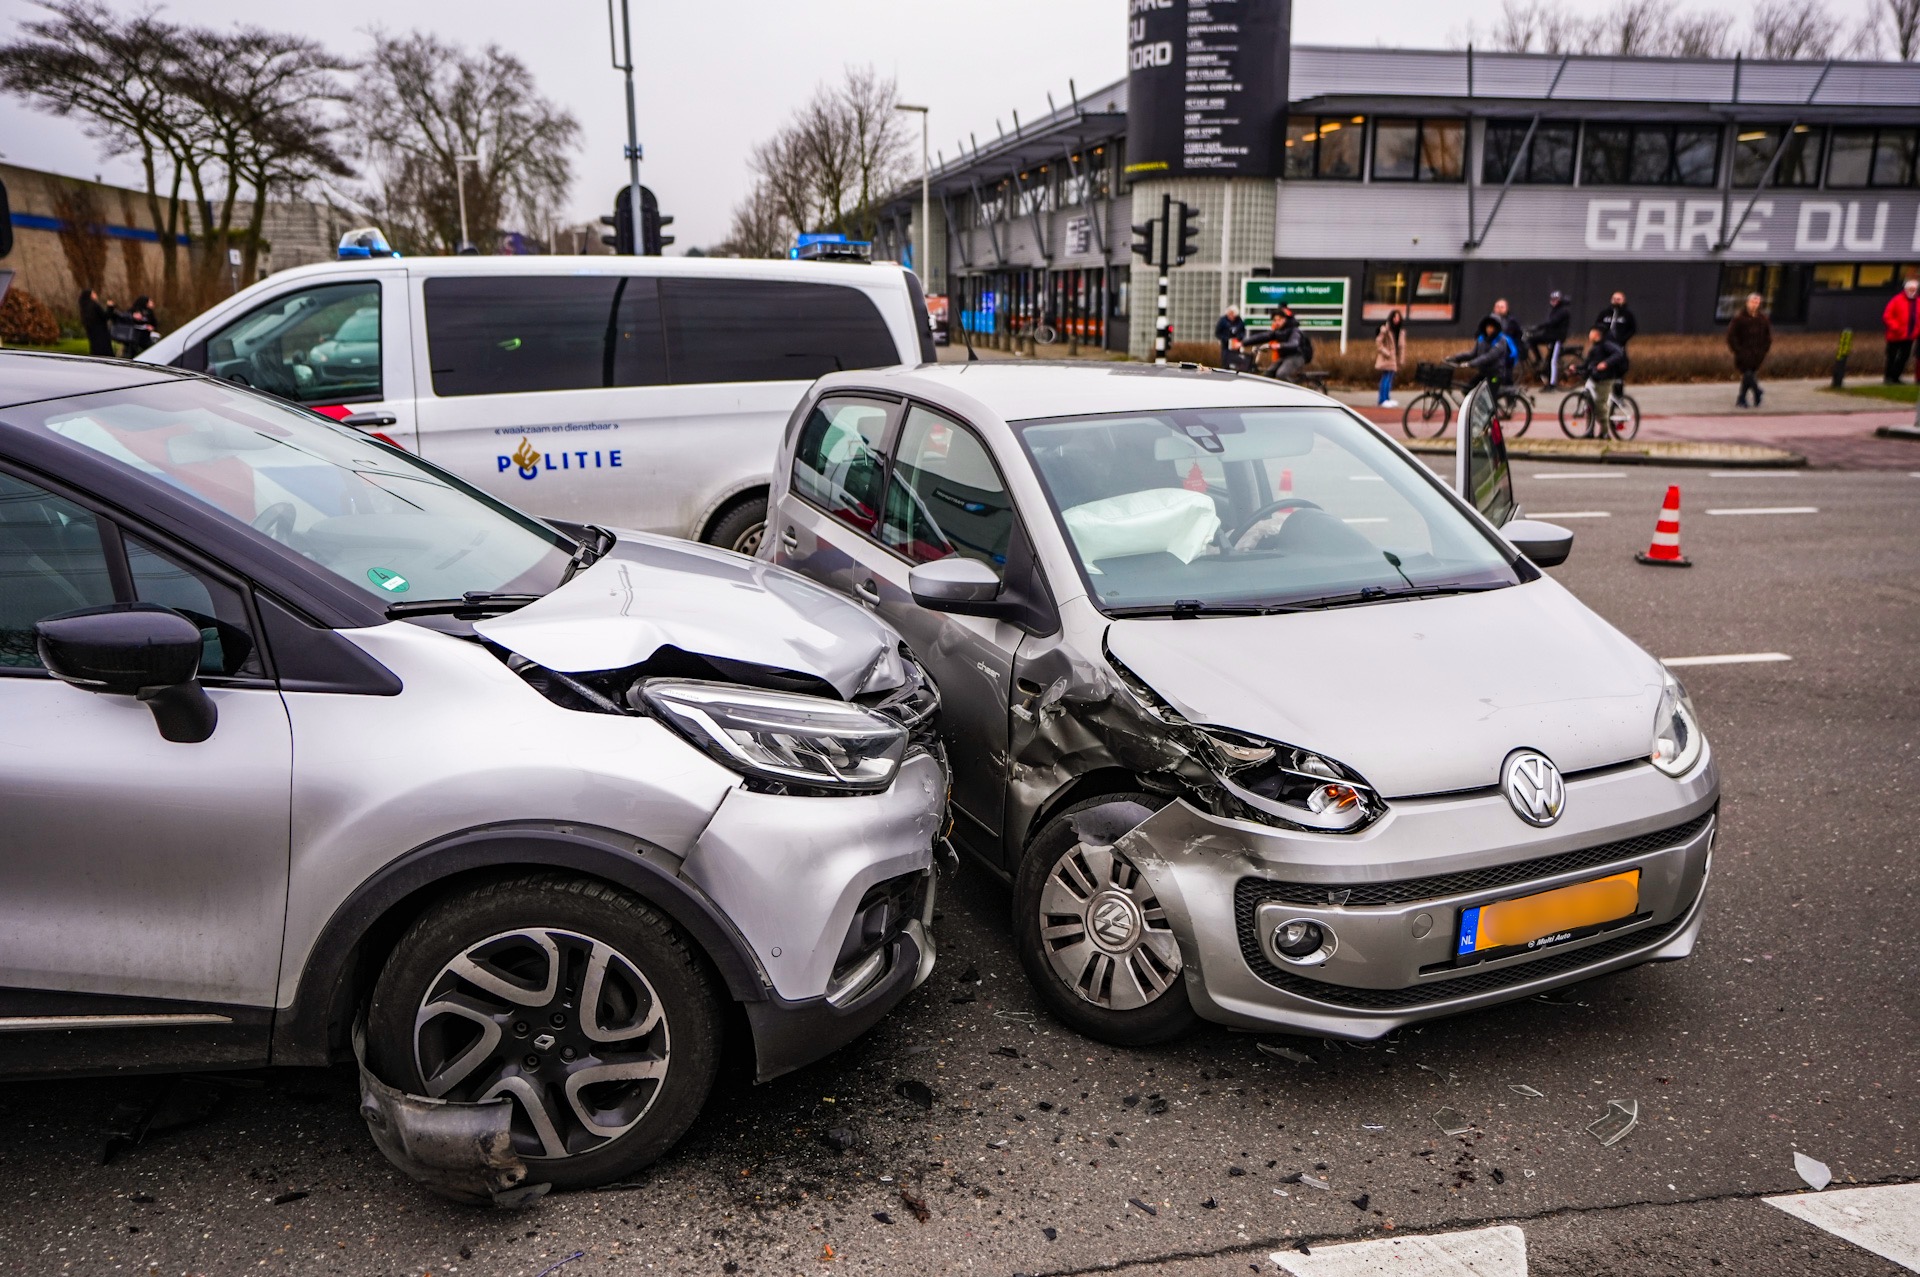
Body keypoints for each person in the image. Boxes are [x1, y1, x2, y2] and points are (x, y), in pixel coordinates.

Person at [1578, 325, 1630, 432]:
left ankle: (1604, 431)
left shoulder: (1606, 345)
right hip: (1594, 378)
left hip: (1605, 379)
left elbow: (1619, 354)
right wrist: (1576, 368)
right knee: (1589, 403)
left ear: (1597, 334)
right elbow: (1587, 364)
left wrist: (1606, 363)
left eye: (1592, 332)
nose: (1590, 334)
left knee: (1599, 405)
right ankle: (1589, 431)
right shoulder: (1594, 348)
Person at [1726, 292, 1772, 409]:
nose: (1754, 304)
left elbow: (1768, 337)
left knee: (1748, 376)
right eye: (1752, 302)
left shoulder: (1763, 319)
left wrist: (1763, 350)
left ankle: (1743, 398)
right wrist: (1738, 350)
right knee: (1747, 373)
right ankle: (1757, 391)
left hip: (1757, 354)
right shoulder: (1739, 319)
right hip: (1743, 353)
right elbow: (1731, 336)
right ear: (1747, 303)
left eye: (1757, 302)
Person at [1449, 314, 1519, 389]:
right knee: (1467, 389)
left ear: (1496, 328)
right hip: (1484, 373)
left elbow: (1489, 357)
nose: (1489, 329)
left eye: (1492, 327)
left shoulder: (1501, 340)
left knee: (1491, 393)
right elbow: (1473, 354)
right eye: (1487, 327)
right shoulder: (1481, 339)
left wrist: (1471, 363)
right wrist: (1456, 358)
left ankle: (1500, 395)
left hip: (1496, 375)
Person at [1526, 290, 1573, 384]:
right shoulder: (1555, 310)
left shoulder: (1563, 311)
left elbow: (1551, 322)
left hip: (1557, 338)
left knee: (1553, 361)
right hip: (1550, 336)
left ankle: (1552, 384)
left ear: (1559, 300)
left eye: (1556, 299)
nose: (1553, 301)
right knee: (1532, 340)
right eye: (1552, 299)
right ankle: (1539, 360)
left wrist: (1537, 328)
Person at [1883, 276, 1919, 385]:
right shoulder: (1897, 300)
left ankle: (1896, 377)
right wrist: (1896, 327)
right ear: (1906, 289)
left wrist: (1917, 331)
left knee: (1904, 357)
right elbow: (1887, 316)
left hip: (1910, 335)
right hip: (1895, 335)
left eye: (1914, 290)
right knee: (1892, 357)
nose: (1912, 292)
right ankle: (1888, 377)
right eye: (1911, 289)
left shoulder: (1918, 302)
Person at [1374, 309, 1406, 407]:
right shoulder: (1386, 329)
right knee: (1386, 378)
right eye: (1395, 317)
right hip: (1387, 358)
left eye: (1398, 317)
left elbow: (1401, 347)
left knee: (1390, 378)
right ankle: (1382, 399)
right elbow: (1378, 342)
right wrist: (1387, 353)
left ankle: (1387, 398)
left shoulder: (1400, 331)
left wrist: (1401, 360)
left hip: (1394, 359)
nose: (1397, 319)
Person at [78, 288, 116, 357]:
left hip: (92, 334)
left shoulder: (84, 308)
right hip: (101, 333)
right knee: (106, 352)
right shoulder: (95, 305)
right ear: (90, 296)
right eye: (93, 293)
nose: (96, 295)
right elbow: (105, 316)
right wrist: (110, 307)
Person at [1215, 305, 1247, 371]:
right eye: (1229, 313)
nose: (1230, 315)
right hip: (1226, 345)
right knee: (1225, 360)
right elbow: (1218, 333)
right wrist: (1225, 339)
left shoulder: (1239, 321)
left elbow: (1243, 332)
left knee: (1235, 360)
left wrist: (1239, 338)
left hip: (1235, 345)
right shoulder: (1223, 321)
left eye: (1232, 313)